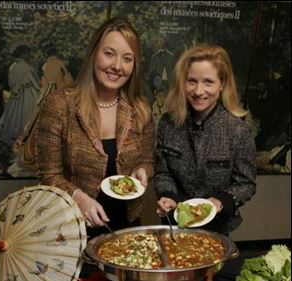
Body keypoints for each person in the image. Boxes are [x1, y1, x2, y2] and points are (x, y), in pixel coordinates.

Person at [36, 17, 155, 238]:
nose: (117, 66)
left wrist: (143, 171)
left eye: (127, 58)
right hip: (72, 231)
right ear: (93, 55)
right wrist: (78, 196)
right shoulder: (60, 105)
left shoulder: (140, 109)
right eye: (109, 54)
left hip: (127, 228)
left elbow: (147, 160)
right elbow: (48, 175)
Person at [154, 44, 257, 235]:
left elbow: (246, 184)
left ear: (222, 84)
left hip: (217, 229)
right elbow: (163, 172)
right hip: (173, 225)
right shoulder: (167, 124)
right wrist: (168, 195)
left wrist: (220, 201)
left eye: (208, 82)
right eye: (191, 81)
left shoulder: (239, 131)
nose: (198, 91)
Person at [0, 45, 40, 162]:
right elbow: (34, 83)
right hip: (27, 95)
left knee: (13, 120)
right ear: (23, 53)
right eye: (28, 53)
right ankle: (23, 148)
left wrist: (15, 92)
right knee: (25, 119)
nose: (29, 55)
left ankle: (10, 147)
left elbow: (11, 83)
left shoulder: (13, 66)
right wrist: (41, 91)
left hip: (16, 97)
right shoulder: (26, 66)